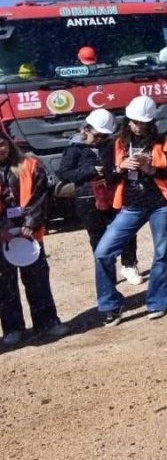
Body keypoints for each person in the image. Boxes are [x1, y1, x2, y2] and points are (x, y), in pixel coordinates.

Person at [95, 96, 167, 326]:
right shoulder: (117, 144)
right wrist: (121, 167)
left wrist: (151, 168)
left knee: (162, 254)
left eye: (143, 122)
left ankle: (158, 302)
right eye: (134, 122)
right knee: (103, 252)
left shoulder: (165, 142)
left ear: (151, 122)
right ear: (128, 120)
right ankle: (111, 305)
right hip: (130, 206)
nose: (138, 126)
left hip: (159, 205)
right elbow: (109, 177)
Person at [58, 109, 143, 286]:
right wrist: (89, 171)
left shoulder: (111, 145)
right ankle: (106, 271)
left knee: (126, 229)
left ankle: (129, 264)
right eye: (97, 136)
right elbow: (64, 173)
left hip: (113, 193)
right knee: (97, 235)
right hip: (87, 198)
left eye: (104, 136)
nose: (100, 140)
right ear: (86, 130)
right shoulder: (74, 148)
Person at [0, 130, 68, 344]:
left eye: (2, 144)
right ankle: (13, 328)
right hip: (3, 235)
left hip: (29, 232)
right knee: (4, 283)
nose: (0, 149)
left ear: (9, 144)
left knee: (37, 279)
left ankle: (47, 322)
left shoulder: (30, 165)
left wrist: (31, 222)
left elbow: (40, 196)